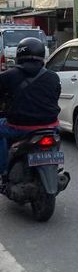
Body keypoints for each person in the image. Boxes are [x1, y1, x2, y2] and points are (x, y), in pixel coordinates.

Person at [0, 37, 61, 174]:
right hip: (51, 126)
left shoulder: (7, 76)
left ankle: (3, 169)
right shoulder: (53, 77)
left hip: (19, 127)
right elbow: (55, 97)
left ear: (19, 55)